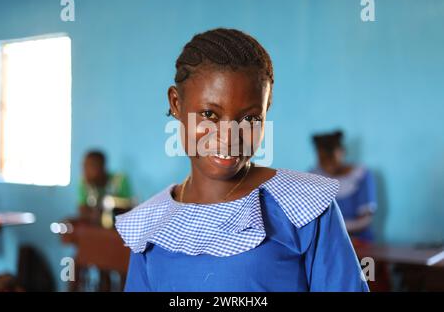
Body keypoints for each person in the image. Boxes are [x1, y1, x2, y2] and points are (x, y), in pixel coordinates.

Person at [116, 28, 368, 292]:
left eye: (250, 119)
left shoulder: (305, 206)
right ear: (176, 103)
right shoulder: (148, 226)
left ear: (266, 110)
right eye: (209, 114)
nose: (229, 136)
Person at [311, 130, 377, 242]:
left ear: (342, 152)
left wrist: (334, 228)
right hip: (326, 241)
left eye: (331, 159)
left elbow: (366, 219)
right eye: (322, 160)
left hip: (358, 241)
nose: (327, 165)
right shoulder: (313, 176)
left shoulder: (361, 175)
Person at [78, 150, 133, 228]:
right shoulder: (84, 183)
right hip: (97, 229)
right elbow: (82, 210)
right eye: (84, 166)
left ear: (102, 166)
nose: (85, 171)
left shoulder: (120, 180)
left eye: (91, 166)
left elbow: (128, 208)